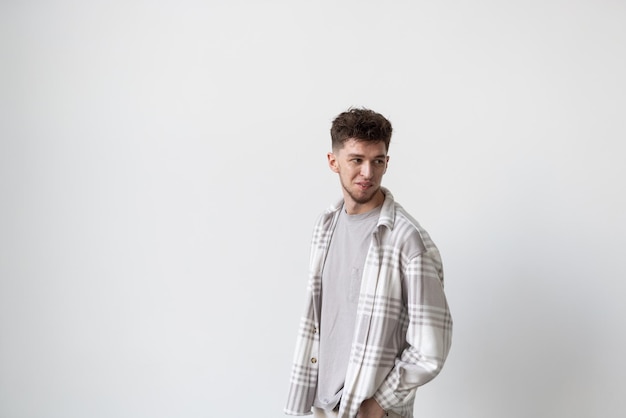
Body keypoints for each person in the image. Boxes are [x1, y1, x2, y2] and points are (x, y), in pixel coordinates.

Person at [284, 108, 453, 418]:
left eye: (378, 161)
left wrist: (378, 404)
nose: (368, 173)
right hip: (321, 406)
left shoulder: (407, 239)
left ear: (387, 162)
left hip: (368, 411)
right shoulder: (325, 227)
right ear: (333, 162)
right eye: (356, 160)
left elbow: (432, 346)